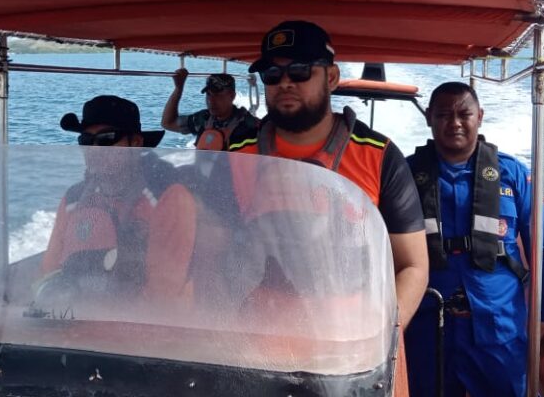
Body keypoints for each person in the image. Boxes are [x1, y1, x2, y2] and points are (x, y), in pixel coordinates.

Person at [226, 20, 428, 330]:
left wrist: (383, 335)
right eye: (272, 74)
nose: (285, 83)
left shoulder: (379, 156)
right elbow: (214, 246)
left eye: (300, 71)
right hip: (257, 339)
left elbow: (412, 265)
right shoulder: (236, 155)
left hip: (352, 342)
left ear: (331, 77)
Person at [404, 82, 544, 397]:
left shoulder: (512, 174)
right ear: (428, 117)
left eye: (464, 114)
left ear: (479, 116)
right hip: (427, 326)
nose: (455, 123)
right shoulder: (403, 175)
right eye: (443, 115)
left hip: (498, 329)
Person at [38, 95, 198, 306]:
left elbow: (160, 297)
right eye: (86, 140)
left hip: (154, 323)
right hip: (76, 318)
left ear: (136, 143)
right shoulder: (73, 200)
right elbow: (49, 274)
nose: (95, 149)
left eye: (107, 139)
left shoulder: (168, 197)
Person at [161, 70, 259, 150]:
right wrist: (178, 89)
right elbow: (168, 123)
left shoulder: (250, 125)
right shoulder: (204, 119)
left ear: (232, 96)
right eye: (208, 94)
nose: (211, 100)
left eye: (217, 95)